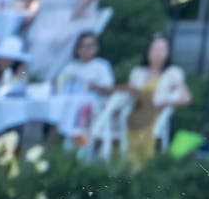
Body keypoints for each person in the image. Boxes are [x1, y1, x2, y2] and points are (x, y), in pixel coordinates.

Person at [25, 0, 105, 82]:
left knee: (48, 41)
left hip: (66, 24)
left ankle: (48, 79)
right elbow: (38, 2)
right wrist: (31, 13)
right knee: (31, 40)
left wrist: (81, 8)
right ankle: (28, 77)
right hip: (43, 23)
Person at [126, 34, 191, 164]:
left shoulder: (172, 73)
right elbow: (130, 95)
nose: (158, 53)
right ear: (148, 51)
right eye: (155, 49)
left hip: (155, 114)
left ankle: (140, 168)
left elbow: (186, 98)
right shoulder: (138, 72)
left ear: (168, 53)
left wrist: (166, 102)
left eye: (162, 49)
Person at [54, 31, 115, 97]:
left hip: (96, 103)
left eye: (90, 46)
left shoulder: (102, 66)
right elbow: (58, 85)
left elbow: (109, 90)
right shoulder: (71, 66)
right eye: (83, 46)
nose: (86, 49)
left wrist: (93, 86)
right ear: (77, 49)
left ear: (96, 48)